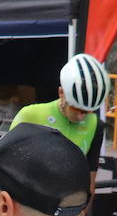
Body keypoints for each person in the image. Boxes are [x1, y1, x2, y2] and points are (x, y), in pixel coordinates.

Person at [11, 54, 111, 186]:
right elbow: (8, 163)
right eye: (77, 109)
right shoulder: (30, 115)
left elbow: (89, 181)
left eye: (87, 112)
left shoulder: (95, 124)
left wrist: (84, 206)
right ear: (61, 93)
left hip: (68, 199)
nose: (82, 117)